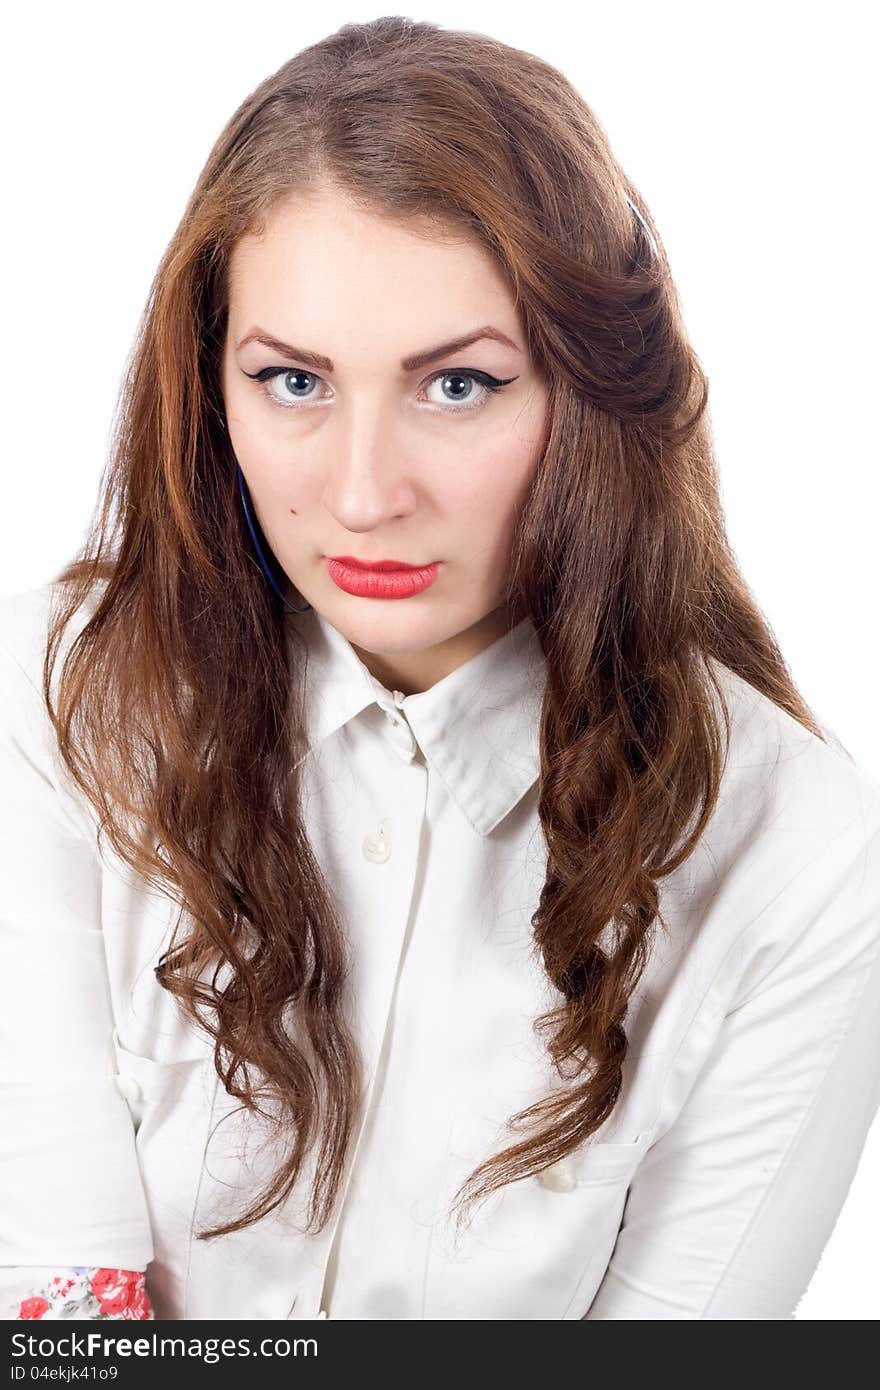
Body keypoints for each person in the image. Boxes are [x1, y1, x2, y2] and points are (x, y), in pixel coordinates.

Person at [2, 14, 879, 1323]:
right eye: (293, 380)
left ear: (591, 390)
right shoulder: (62, 692)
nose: (362, 496)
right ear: (209, 381)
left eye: (457, 386)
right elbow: (58, 1316)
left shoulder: (800, 850)